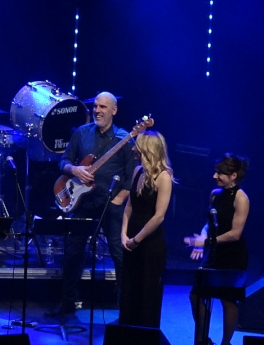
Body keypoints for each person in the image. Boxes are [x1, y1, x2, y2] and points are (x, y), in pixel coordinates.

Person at [48, 91, 136, 318]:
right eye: (95, 106)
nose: (97, 110)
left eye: (103, 107)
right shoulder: (81, 133)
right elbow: (64, 161)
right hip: (82, 201)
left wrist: (119, 198)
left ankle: (126, 305)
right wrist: (74, 169)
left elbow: (130, 177)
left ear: (114, 111)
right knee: (73, 251)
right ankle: (67, 302)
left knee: (118, 253)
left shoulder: (124, 139)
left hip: (110, 203)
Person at [185, 154, 251, 345]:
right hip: (214, 253)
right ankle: (203, 340)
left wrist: (205, 243)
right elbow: (209, 225)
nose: (215, 176)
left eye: (220, 173)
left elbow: (235, 234)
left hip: (233, 256)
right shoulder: (215, 195)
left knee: (227, 300)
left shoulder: (241, 198)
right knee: (196, 296)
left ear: (233, 175)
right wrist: (203, 236)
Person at [119, 131, 173, 328]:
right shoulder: (138, 171)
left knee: (147, 293)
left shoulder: (164, 177)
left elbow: (159, 216)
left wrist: (137, 239)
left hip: (150, 242)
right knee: (130, 290)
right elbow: (129, 207)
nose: (134, 149)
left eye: (137, 145)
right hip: (132, 237)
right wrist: (124, 234)